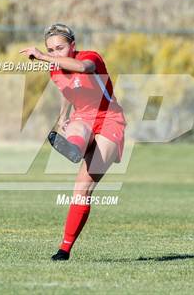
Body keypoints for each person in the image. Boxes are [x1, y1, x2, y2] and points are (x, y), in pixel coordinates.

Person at [19, 23, 126, 261]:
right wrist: (62, 117)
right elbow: (66, 91)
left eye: (60, 48)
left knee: (84, 186)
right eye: (51, 49)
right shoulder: (55, 71)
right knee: (79, 181)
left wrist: (43, 56)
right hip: (83, 118)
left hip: (109, 118)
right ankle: (64, 250)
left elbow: (81, 68)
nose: (56, 53)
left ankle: (77, 147)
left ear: (73, 46)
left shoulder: (90, 58)